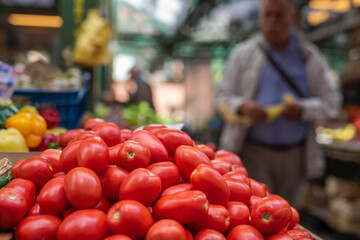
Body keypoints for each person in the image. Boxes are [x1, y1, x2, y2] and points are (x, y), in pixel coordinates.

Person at [215, 0, 342, 207]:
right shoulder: (242, 54)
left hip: (295, 157)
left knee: (286, 214)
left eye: (279, 15)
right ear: (260, 18)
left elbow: (332, 101)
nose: (272, 21)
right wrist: (243, 106)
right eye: (267, 15)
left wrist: (303, 109)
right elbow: (222, 95)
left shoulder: (308, 55)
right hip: (253, 154)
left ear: (292, 18)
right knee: (254, 210)